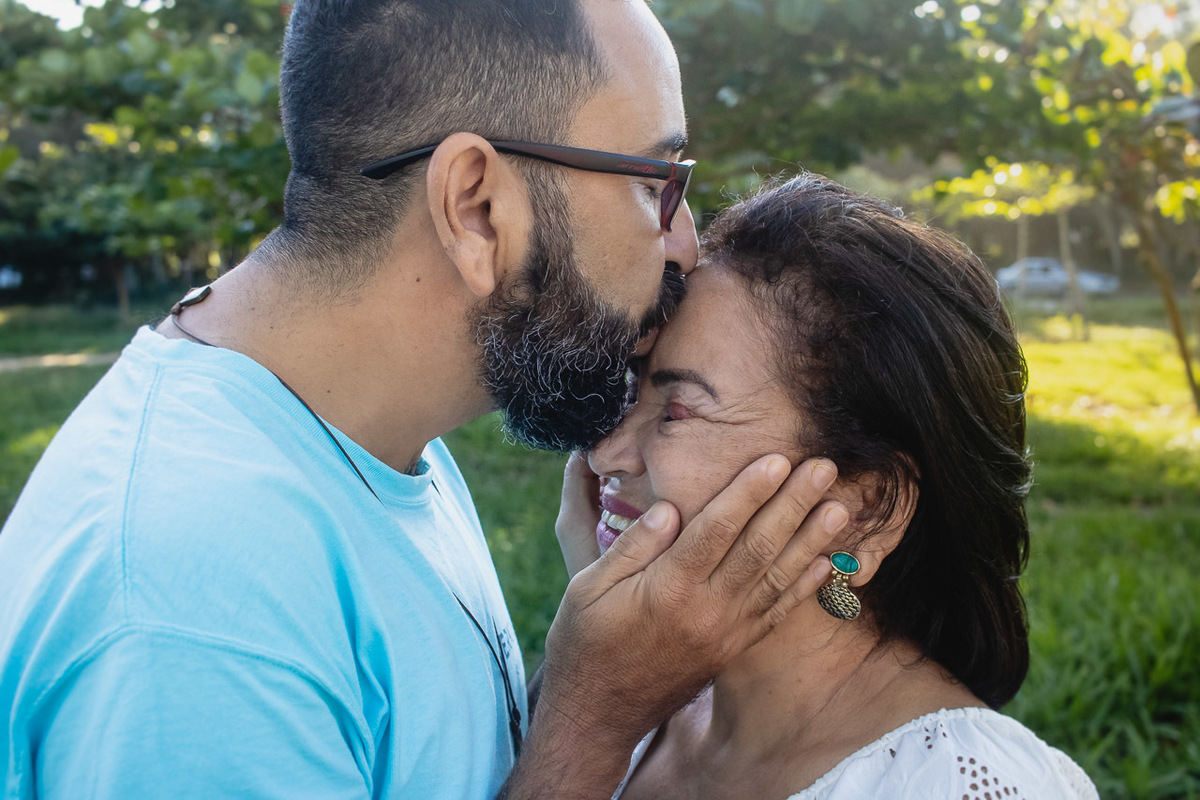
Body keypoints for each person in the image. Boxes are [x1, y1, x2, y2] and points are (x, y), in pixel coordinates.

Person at [0, 3, 848, 799]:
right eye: (655, 183)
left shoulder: (366, 429)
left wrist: (596, 657)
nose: (684, 245)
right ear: (475, 207)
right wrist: (594, 718)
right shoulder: (198, 621)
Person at [555, 173, 1099, 799]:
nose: (604, 452)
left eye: (677, 411)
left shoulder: (960, 784)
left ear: (865, 509)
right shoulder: (639, 697)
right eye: (632, 388)